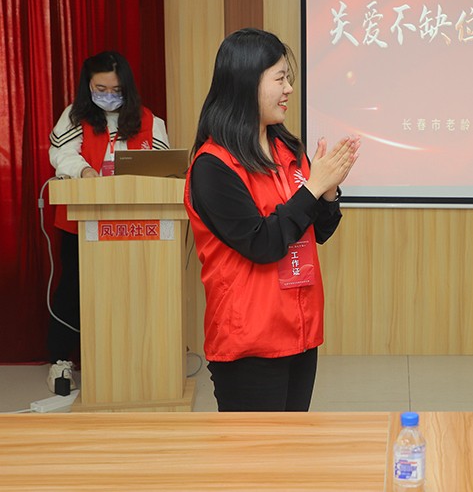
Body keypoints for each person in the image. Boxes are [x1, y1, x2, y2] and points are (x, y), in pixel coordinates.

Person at [184, 28, 360, 412]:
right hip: (250, 340)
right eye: (279, 79)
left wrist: (329, 190)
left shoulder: (286, 147)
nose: (288, 89)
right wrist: (314, 188)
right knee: (255, 450)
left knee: (292, 444)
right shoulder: (213, 165)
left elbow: (319, 230)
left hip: (299, 329)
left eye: (288, 78)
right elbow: (262, 243)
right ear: (246, 83)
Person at [47, 51, 169, 391]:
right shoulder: (75, 116)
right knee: (74, 287)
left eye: (115, 89)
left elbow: (164, 165)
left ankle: (134, 356)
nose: (108, 96)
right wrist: (84, 170)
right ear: (88, 86)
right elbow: (60, 153)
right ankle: (61, 360)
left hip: (136, 223)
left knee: (132, 288)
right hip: (82, 220)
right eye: (100, 89)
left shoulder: (149, 120)